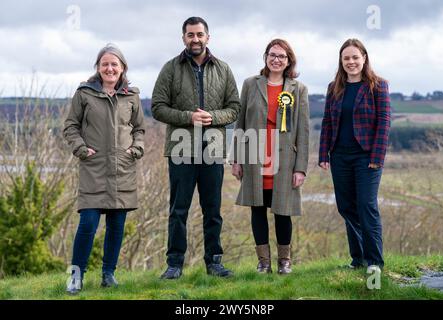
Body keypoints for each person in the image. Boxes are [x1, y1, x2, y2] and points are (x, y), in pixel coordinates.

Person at [151, 17, 240, 279]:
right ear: (183, 38)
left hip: (213, 149)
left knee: (212, 210)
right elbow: (157, 107)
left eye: (200, 34)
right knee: (178, 210)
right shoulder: (170, 68)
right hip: (181, 148)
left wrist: (213, 117)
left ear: (208, 37)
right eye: (190, 35)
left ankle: (214, 262)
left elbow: (235, 108)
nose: (195, 39)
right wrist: (188, 117)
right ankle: (174, 264)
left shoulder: (223, 69)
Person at [63, 44, 145, 294]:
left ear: (122, 68)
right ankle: (76, 277)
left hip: (123, 170)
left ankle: (108, 274)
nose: (110, 68)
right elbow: (70, 126)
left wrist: (136, 149)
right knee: (87, 223)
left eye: (114, 64)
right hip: (94, 168)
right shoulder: (84, 93)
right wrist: (81, 149)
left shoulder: (131, 96)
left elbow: (140, 129)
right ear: (98, 68)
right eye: (105, 64)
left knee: (116, 225)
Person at [231, 39, 310, 274]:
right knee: (258, 209)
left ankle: (284, 261)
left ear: (289, 61)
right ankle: (263, 262)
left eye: (282, 56)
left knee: (283, 211)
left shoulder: (299, 89)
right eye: (272, 55)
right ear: (265, 57)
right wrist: (236, 158)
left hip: (285, 161)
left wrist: (301, 168)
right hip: (255, 157)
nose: (276, 60)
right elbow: (240, 123)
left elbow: (304, 132)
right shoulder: (250, 84)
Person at [318, 38, 391, 274]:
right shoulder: (334, 87)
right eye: (346, 58)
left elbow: (384, 123)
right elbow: (327, 122)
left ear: (364, 58)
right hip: (339, 156)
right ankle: (358, 259)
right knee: (346, 207)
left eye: (355, 57)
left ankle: (374, 262)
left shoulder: (378, 85)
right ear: (341, 61)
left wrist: (377, 157)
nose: (351, 62)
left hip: (366, 157)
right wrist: (324, 154)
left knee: (366, 206)